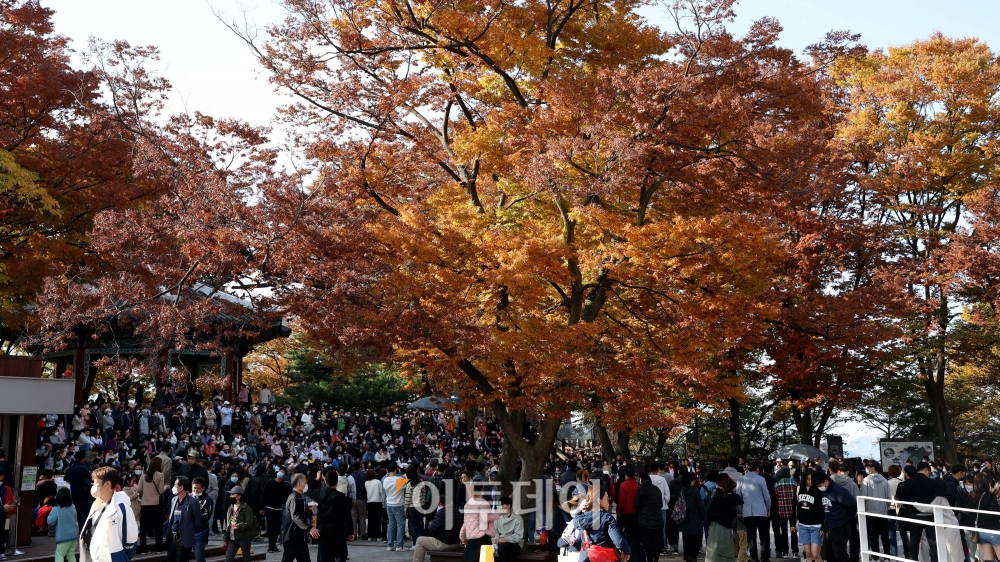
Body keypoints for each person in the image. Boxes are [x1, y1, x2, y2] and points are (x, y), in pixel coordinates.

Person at [79, 467, 139, 562]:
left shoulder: (122, 508)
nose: (93, 486)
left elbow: (131, 539)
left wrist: (119, 557)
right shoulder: (97, 503)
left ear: (107, 484)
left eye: (96, 482)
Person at [897, 461, 947, 562]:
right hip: (930, 515)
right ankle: (935, 560)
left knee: (914, 541)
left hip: (914, 515)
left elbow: (904, 501)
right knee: (932, 542)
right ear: (926, 470)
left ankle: (913, 560)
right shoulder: (933, 483)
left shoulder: (906, 483)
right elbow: (938, 498)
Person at [566, 486, 630, 562]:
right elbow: (619, 542)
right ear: (599, 500)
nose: (608, 501)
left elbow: (578, 544)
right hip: (604, 558)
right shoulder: (607, 518)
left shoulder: (581, 519)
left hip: (586, 559)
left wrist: (569, 540)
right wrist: (627, 552)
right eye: (607, 498)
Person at [311, 470, 354, 562]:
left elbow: (306, 489)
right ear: (337, 482)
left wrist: (316, 479)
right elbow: (347, 515)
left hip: (322, 531)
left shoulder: (319, 493)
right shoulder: (341, 497)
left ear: (325, 481)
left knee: (325, 556)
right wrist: (351, 531)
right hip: (337, 530)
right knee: (341, 553)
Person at [413, 484, 463, 562]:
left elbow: (432, 529)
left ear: (440, 503)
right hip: (457, 543)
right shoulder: (456, 512)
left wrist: (430, 524)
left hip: (445, 543)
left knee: (420, 540)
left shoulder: (442, 512)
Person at [816, 471, 856, 562]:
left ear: (826, 481)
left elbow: (852, 505)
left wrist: (849, 520)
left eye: (820, 485)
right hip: (829, 525)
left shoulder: (839, 491)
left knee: (839, 554)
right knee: (828, 554)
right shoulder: (824, 491)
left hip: (841, 526)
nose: (819, 488)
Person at [735, 462, 770, 562]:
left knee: (751, 536)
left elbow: (739, 497)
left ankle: (753, 558)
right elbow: (767, 497)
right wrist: (768, 509)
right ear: (757, 469)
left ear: (747, 469)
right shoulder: (761, 479)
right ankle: (764, 557)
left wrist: (742, 510)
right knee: (764, 536)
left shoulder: (741, 480)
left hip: (747, 511)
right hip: (761, 511)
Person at [459, 480, 499, 562]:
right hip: (482, 536)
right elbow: (485, 519)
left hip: (471, 538)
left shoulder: (468, 504)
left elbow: (466, 522)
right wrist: (498, 514)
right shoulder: (483, 503)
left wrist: (462, 534)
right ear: (482, 489)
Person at [705, 474, 741, 562]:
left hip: (719, 526)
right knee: (725, 551)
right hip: (725, 527)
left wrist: (718, 492)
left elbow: (710, 509)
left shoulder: (725, 498)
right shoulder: (732, 496)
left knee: (717, 551)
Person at [859, 460, 891, 557]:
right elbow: (888, 498)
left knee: (873, 537)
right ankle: (887, 557)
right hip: (883, 512)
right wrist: (884, 507)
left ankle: (875, 557)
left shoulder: (866, 481)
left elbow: (863, 497)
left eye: (868, 467)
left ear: (872, 468)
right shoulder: (885, 481)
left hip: (870, 512)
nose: (867, 469)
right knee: (885, 536)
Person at [634, 472, 665, 562]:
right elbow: (661, 504)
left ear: (641, 479)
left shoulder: (641, 490)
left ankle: (650, 560)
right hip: (658, 521)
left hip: (645, 522)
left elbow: (636, 505)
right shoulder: (657, 489)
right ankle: (656, 560)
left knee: (648, 545)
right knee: (657, 544)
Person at [281, 473, 312, 562]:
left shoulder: (300, 497)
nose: (306, 485)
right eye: (305, 482)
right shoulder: (294, 497)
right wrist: (309, 528)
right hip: (292, 537)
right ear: (299, 484)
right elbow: (295, 516)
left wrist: (307, 510)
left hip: (300, 538)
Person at [139, 456, 166, 553]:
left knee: (143, 528)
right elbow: (161, 490)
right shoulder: (160, 475)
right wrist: (167, 487)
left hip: (144, 503)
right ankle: (159, 548)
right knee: (158, 527)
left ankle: (143, 549)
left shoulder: (143, 475)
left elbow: (138, 490)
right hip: (156, 503)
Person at [795, 469, 823, 562]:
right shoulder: (799, 489)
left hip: (816, 525)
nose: (810, 481)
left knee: (816, 554)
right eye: (808, 479)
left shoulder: (819, 490)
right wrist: (793, 523)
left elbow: (823, 509)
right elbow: (794, 505)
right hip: (803, 525)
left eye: (812, 479)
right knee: (808, 553)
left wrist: (823, 526)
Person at [677, 472, 707, 562]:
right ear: (691, 481)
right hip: (695, 520)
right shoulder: (694, 492)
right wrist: (704, 518)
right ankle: (692, 557)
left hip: (684, 519)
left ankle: (687, 556)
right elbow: (701, 506)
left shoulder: (682, 490)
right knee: (696, 541)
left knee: (687, 541)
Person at [262, 467, 291, 553]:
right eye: (280, 472)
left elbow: (286, 498)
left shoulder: (284, 485)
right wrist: (262, 507)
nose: (281, 473)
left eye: (283, 473)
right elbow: (264, 495)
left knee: (276, 528)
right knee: (270, 528)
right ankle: (270, 545)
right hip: (269, 508)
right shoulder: (269, 483)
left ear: (285, 476)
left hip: (278, 508)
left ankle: (274, 545)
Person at [224, 486, 256, 562]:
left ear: (239, 496)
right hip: (232, 538)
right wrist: (225, 537)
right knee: (228, 559)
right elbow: (228, 524)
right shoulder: (230, 508)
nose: (230, 496)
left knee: (246, 558)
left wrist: (239, 526)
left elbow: (250, 523)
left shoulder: (246, 508)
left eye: (232, 494)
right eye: (230, 494)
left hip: (244, 537)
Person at [773, 464, 798, 560]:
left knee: (784, 531)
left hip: (781, 510)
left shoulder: (776, 485)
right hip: (792, 510)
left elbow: (775, 499)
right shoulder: (794, 484)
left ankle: (785, 552)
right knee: (793, 530)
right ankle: (795, 552)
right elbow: (796, 498)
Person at [48, 488, 80, 562]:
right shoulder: (73, 506)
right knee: (71, 555)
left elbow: (50, 521)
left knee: (59, 556)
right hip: (74, 536)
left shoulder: (57, 508)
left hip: (63, 537)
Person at [383, 462, 408, 552]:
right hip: (398, 504)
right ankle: (399, 545)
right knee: (400, 524)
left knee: (391, 524)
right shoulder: (399, 480)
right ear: (395, 469)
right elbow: (406, 484)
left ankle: (390, 545)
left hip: (389, 504)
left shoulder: (385, 480)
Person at [66, 450, 93, 526]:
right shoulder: (83, 468)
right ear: (83, 458)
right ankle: (81, 532)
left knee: (77, 513)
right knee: (83, 514)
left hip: (74, 493)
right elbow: (89, 479)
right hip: (83, 494)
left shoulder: (71, 468)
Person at [190, 478, 214, 562]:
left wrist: (193, 515)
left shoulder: (208, 499)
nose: (196, 490)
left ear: (203, 488)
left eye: (198, 488)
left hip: (200, 532)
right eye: (194, 488)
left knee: (199, 557)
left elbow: (206, 516)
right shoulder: (188, 497)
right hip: (187, 531)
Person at [494, 496, 524, 562]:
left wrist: (505, 539)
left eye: (502, 505)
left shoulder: (517, 518)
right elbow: (495, 532)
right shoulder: (497, 518)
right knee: (494, 549)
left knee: (503, 548)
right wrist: (496, 540)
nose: (500, 507)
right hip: (499, 542)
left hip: (514, 544)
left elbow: (518, 536)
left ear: (508, 506)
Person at [364, 470, 384, 542]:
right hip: (378, 502)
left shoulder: (366, 483)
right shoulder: (378, 482)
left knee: (370, 519)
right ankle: (378, 535)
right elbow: (381, 492)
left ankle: (370, 535)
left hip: (369, 502)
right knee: (378, 520)